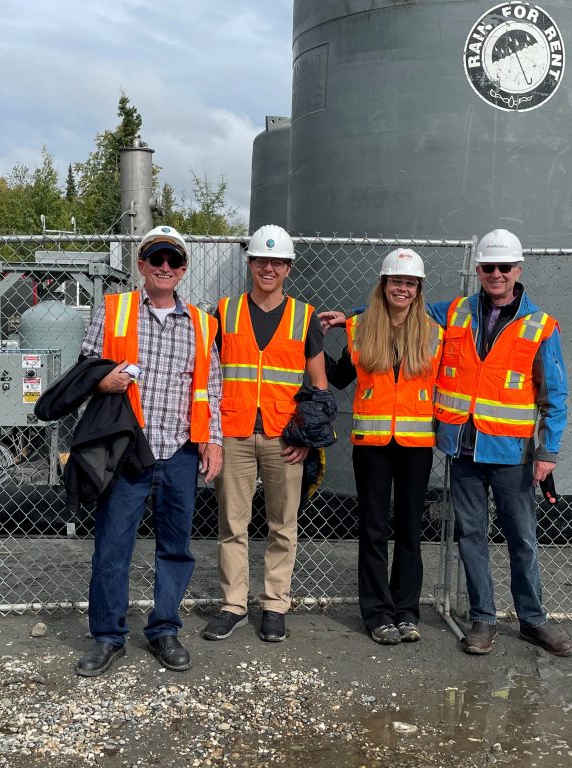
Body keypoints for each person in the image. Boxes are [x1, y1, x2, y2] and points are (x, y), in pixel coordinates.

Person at [74, 225, 222, 677]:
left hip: (178, 450)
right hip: (126, 450)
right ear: (141, 265)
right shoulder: (113, 310)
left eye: (172, 262)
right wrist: (104, 381)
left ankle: (164, 630)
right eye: (156, 259)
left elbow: (210, 386)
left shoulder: (200, 322)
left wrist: (212, 439)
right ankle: (108, 636)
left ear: (182, 270)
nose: (164, 268)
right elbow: (85, 370)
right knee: (113, 546)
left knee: (175, 548)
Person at [427, 228, 572, 657]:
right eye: (488, 267)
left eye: (503, 268)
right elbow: (400, 307)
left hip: (512, 453)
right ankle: (484, 619)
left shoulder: (540, 326)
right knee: (471, 535)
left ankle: (533, 620)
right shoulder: (454, 312)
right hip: (464, 450)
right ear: (478, 270)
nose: (496, 274)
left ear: (517, 271)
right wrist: (354, 315)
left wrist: (547, 452)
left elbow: (555, 395)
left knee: (522, 539)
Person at [203, 225, 328, 644]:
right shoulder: (225, 311)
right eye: (261, 260)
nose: (268, 268)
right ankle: (233, 604)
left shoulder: (304, 316)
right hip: (234, 431)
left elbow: (319, 386)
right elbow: (208, 373)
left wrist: (307, 436)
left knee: (282, 525)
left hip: (284, 438)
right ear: (251, 263)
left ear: (289, 268)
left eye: (276, 262)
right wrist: (211, 434)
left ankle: (274, 605)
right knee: (231, 524)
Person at [324, 248, 444, 645]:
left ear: (418, 289)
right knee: (373, 529)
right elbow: (340, 377)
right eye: (396, 281)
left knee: (411, 529)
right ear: (385, 285)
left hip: (415, 445)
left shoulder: (433, 333)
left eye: (410, 283)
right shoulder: (360, 329)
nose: (403, 289)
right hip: (372, 445)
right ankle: (377, 614)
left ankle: (407, 610)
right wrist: (306, 341)